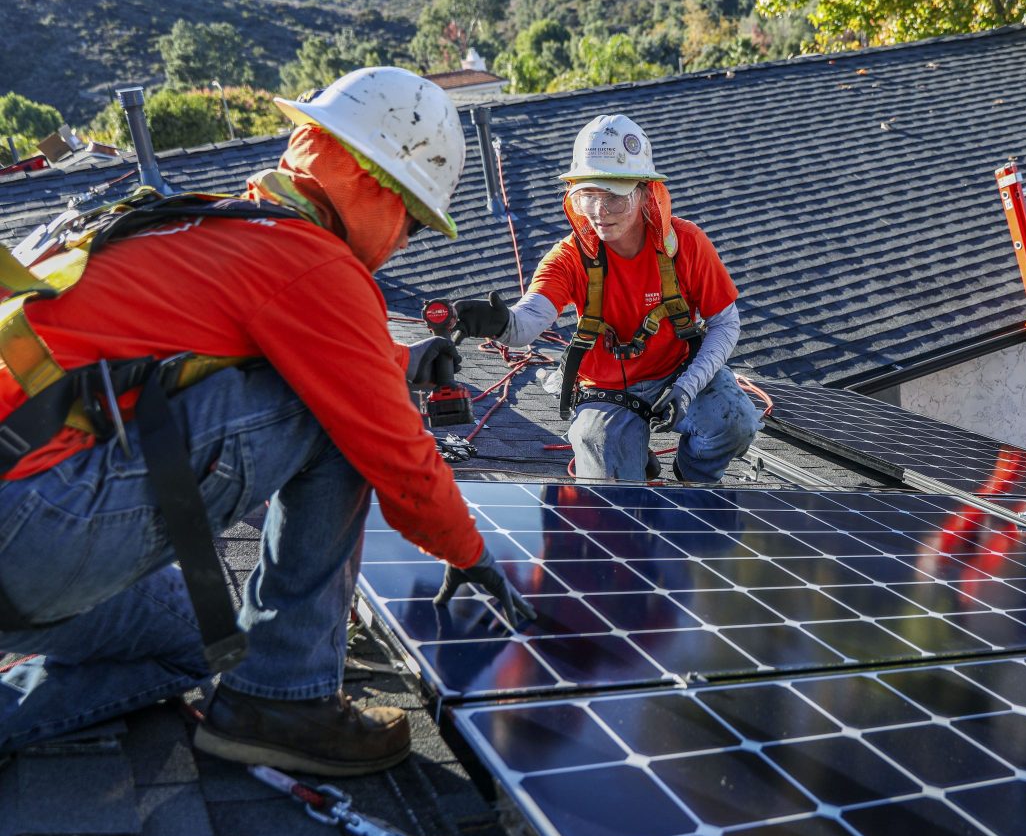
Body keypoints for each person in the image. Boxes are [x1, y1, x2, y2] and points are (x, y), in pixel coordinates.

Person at [0, 67, 534, 776]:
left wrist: (393, 357)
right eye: (410, 215)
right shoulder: (311, 264)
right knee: (341, 415)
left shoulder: (217, 222)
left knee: (210, 640)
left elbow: (261, 338)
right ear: (371, 181)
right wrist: (472, 555)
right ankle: (285, 700)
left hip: (26, 525)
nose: (406, 240)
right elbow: (396, 454)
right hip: (31, 529)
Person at [453, 114, 761, 483]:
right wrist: (501, 324)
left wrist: (687, 386)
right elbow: (528, 322)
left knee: (735, 421)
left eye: (614, 197)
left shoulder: (684, 244)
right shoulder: (569, 257)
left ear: (645, 193)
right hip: (608, 390)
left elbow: (725, 323)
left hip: (678, 372)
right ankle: (630, 455)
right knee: (610, 493)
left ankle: (693, 478)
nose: (600, 211)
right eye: (587, 196)